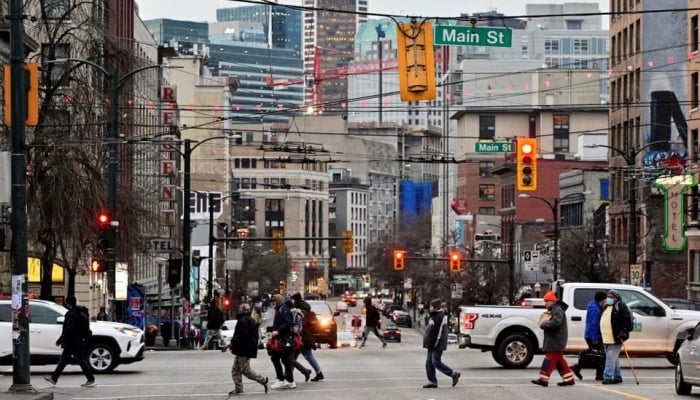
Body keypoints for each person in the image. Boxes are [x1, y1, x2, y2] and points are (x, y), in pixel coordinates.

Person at [44, 296, 96, 387]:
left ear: (67, 303)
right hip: (78, 340)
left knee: (80, 360)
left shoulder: (71, 314)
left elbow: (68, 328)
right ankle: (54, 379)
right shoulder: (81, 312)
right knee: (64, 360)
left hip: (72, 341)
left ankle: (91, 379)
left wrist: (61, 339)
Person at [531, 291, 576, 387]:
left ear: (552, 301)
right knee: (559, 361)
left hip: (556, 340)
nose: (545, 303)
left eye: (547, 301)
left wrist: (544, 324)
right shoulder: (556, 309)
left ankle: (543, 379)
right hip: (556, 340)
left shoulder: (557, 310)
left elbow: (556, 322)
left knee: (549, 359)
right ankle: (569, 379)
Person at [228, 303, 269, 396]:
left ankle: (263, 380)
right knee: (235, 370)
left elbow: (242, 335)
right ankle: (238, 389)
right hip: (244, 349)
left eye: (240, 309)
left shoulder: (243, 321)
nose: (238, 310)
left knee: (245, 370)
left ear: (243, 310)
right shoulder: (250, 320)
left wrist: (232, 342)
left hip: (244, 349)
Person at [422, 299, 460, 389]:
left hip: (437, 344)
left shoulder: (440, 317)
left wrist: (435, 344)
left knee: (435, 361)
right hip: (432, 343)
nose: (429, 308)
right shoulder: (432, 315)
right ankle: (432, 381)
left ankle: (453, 374)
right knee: (429, 363)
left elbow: (438, 333)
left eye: (431, 306)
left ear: (435, 308)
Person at [571, 291, 607, 380]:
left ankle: (579, 367)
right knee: (601, 355)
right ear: (602, 300)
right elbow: (594, 323)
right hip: (593, 335)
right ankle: (598, 375)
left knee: (594, 354)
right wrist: (595, 338)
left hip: (589, 334)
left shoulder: (592, 305)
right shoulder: (596, 309)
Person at [600, 289, 633, 385]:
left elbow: (626, 320)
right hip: (606, 337)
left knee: (610, 357)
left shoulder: (620, 306)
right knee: (613, 357)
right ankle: (617, 376)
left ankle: (607, 377)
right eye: (608, 297)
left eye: (611, 297)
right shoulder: (606, 306)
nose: (609, 299)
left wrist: (623, 331)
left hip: (616, 337)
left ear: (617, 298)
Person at [291, 292, 324, 382]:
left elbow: (301, 326)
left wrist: (297, 335)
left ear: (295, 301)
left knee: (294, 357)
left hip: (302, 338)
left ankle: (289, 376)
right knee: (301, 356)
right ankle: (318, 372)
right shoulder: (307, 310)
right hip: (307, 337)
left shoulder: (300, 312)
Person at [269, 294, 297, 389]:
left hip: (284, 339)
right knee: (281, 359)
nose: (273, 303)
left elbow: (288, 322)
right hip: (280, 338)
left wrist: (278, 331)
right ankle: (285, 380)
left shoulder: (283, 309)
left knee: (280, 359)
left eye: (274, 301)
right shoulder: (279, 309)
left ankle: (284, 380)